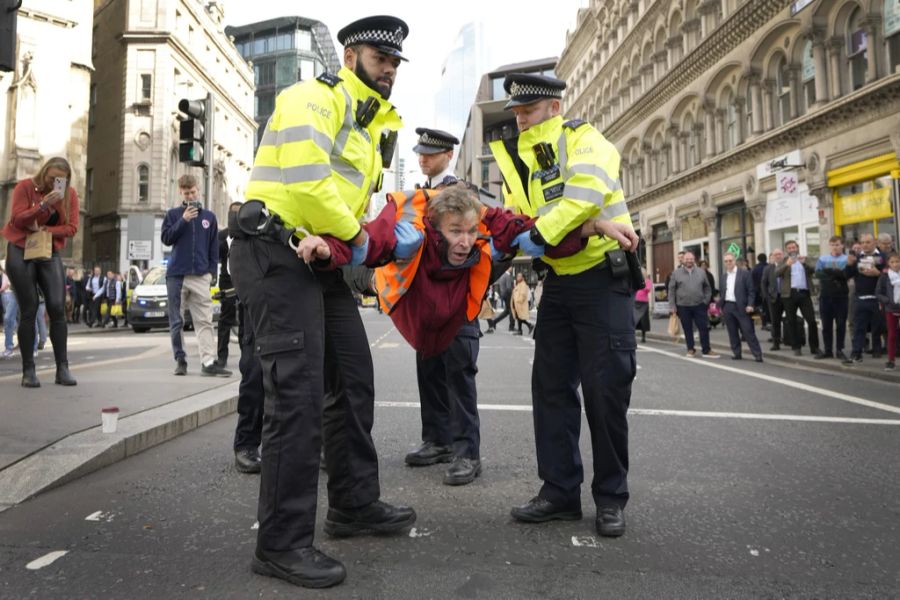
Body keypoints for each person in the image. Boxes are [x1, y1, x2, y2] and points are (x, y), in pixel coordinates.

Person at [228, 16, 418, 589]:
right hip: (276, 251)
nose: (389, 70)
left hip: (319, 260)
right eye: (380, 59)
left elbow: (345, 198)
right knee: (298, 396)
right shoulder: (314, 97)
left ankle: (353, 505)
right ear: (351, 54)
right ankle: (280, 544)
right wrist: (361, 241)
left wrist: (359, 236)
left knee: (352, 378)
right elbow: (310, 181)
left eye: (394, 63)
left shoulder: (368, 127)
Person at [488, 72, 640, 538]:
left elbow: (581, 199)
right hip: (558, 285)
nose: (520, 119)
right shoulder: (526, 161)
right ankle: (559, 492)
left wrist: (537, 237)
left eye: (528, 111)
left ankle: (610, 496)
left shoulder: (584, 140)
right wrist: (529, 237)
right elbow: (521, 220)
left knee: (605, 391)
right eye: (515, 112)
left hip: (601, 283)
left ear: (553, 108)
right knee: (551, 389)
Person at [0, 156, 78, 387]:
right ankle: (28, 371)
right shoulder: (25, 187)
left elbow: (71, 228)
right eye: (52, 178)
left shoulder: (69, 195)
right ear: (44, 173)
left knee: (56, 307)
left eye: (60, 180)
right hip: (21, 249)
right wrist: (43, 204)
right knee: (29, 308)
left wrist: (46, 228)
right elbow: (17, 218)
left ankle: (62, 369)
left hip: (47, 249)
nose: (55, 183)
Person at [161, 174, 230, 377]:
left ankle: (208, 361)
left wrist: (211, 272)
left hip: (200, 275)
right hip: (176, 275)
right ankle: (180, 359)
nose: (190, 196)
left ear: (198, 190)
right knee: (176, 320)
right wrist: (183, 220)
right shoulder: (173, 214)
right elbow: (166, 238)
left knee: (205, 320)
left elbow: (213, 248)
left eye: (192, 192)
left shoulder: (209, 217)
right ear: (180, 193)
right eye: (186, 193)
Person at [844, 233, 885, 364]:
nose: (865, 245)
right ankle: (856, 354)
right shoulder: (857, 257)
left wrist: (878, 273)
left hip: (877, 298)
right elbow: (846, 275)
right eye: (862, 242)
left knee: (878, 327)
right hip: (860, 297)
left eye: (868, 242)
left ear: (875, 242)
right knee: (859, 327)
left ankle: (877, 350)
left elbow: (892, 276)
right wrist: (849, 264)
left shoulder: (882, 257)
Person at [669, 251, 718, 358]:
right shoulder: (676, 273)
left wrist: (705, 301)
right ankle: (690, 349)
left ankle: (706, 350)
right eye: (687, 259)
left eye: (691, 259)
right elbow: (671, 290)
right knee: (687, 329)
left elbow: (707, 288)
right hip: (683, 306)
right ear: (683, 260)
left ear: (694, 259)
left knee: (703, 328)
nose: (689, 261)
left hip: (699, 305)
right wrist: (672, 306)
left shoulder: (701, 272)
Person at [776, 240, 820, 356]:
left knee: (811, 321)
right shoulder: (784, 261)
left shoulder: (804, 259)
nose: (792, 250)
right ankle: (796, 346)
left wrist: (804, 263)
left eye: (793, 247)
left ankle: (814, 347)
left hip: (804, 293)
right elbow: (776, 273)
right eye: (789, 248)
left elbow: (814, 270)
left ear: (797, 248)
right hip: (789, 294)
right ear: (786, 250)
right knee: (792, 321)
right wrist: (787, 264)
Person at [719, 252, 763, 361]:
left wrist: (750, 305)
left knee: (748, 331)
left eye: (730, 260)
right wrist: (721, 306)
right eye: (726, 261)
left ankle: (757, 354)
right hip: (728, 307)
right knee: (732, 332)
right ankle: (737, 353)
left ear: (735, 261)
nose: (728, 263)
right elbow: (722, 292)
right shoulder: (723, 276)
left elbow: (751, 291)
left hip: (742, 307)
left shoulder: (744, 274)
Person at [815, 236, 850, 361]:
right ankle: (828, 350)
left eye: (837, 244)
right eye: (832, 244)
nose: (835, 247)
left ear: (842, 245)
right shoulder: (822, 258)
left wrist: (829, 271)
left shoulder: (847, 259)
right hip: (826, 295)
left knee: (841, 324)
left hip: (841, 296)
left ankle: (840, 349)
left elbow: (846, 275)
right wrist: (836, 273)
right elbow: (818, 274)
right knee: (826, 325)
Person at [216, 205, 240, 368]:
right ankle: (222, 356)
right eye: (233, 213)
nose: (235, 216)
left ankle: (248, 357)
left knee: (247, 320)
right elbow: (215, 257)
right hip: (227, 281)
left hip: (245, 280)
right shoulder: (221, 236)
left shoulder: (250, 234)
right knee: (226, 319)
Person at [875, 252, 900, 370]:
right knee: (892, 335)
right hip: (891, 308)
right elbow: (878, 293)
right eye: (892, 262)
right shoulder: (885, 276)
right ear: (888, 264)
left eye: (897, 261)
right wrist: (888, 301)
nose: (895, 264)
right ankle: (891, 360)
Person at [762, 249, 785, 350]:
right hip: (774, 297)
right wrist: (766, 296)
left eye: (779, 254)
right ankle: (776, 342)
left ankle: (793, 342)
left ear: (783, 255)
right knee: (775, 321)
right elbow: (763, 283)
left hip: (787, 296)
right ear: (772, 256)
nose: (778, 256)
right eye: (775, 255)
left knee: (791, 320)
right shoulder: (768, 268)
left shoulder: (788, 266)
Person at [485, 267, 515, 333]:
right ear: (508, 268)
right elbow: (509, 287)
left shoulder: (502, 275)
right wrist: (513, 293)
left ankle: (494, 322)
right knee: (511, 311)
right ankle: (511, 326)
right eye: (511, 267)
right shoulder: (507, 276)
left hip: (504, 295)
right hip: (508, 295)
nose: (512, 269)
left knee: (507, 311)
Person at [1, 264, 17, 358]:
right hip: (9, 293)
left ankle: (33, 348)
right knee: (8, 319)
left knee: (30, 320)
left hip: (20, 292)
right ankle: (9, 348)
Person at [751, 252, 769, 329]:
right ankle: (766, 323)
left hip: (757, 291)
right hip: (767, 290)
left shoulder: (755, 268)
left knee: (758, 307)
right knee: (767, 308)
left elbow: (752, 279)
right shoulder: (769, 266)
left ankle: (762, 323)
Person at [633, 268, 652, 343]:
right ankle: (633, 335)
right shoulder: (636, 280)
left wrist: (643, 286)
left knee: (644, 320)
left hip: (644, 303)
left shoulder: (647, 281)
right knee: (635, 319)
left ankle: (643, 336)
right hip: (636, 301)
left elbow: (648, 289)